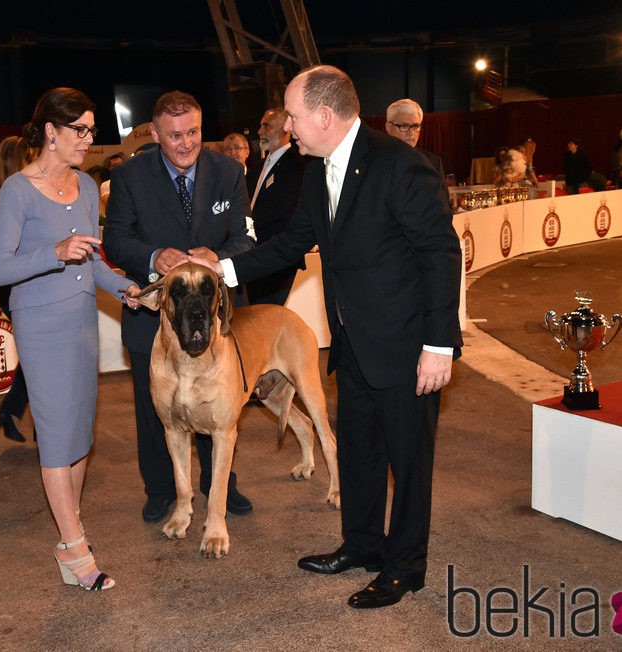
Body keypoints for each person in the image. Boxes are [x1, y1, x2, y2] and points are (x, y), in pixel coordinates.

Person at [189, 65, 462, 610]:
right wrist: (225, 270)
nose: (287, 125)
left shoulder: (401, 166)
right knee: (359, 450)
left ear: (323, 115)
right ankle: (362, 545)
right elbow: (292, 241)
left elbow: (441, 254)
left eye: (292, 115)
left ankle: (405, 568)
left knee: (408, 463)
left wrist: (439, 345)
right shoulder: (315, 170)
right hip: (353, 344)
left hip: (408, 347)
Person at [0, 87, 140, 592]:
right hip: (40, 325)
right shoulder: (17, 190)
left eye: (92, 130)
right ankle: (75, 549)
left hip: (81, 322)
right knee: (55, 437)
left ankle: (68, 538)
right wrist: (54, 251)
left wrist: (127, 289)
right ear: (51, 132)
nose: (88, 140)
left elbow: (92, 260)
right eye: (81, 130)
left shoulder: (89, 186)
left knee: (79, 437)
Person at [102, 90, 256, 524]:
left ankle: (220, 486)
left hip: (214, 312)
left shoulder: (229, 170)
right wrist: (153, 257)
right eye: (174, 135)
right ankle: (160, 489)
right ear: (155, 133)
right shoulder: (129, 176)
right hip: (155, 312)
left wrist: (218, 260)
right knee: (156, 410)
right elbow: (115, 240)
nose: (186, 143)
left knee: (219, 405)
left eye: (193, 132)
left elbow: (246, 236)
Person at [0, 135, 35, 443]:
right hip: (20, 284)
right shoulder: (13, 196)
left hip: (11, 285)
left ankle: (12, 410)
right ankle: (40, 424)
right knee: (39, 358)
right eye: (30, 157)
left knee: (34, 357)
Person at [245, 107, 308, 306]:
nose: (260, 132)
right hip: (253, 255)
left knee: (268, 317)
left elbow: (282, 207)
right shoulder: (258, 167)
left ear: (284, 129)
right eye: (261, 126)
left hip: (276, 256)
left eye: (266, 126)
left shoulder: (297, 164)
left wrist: (246, 226)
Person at [385, 98, 451, 203]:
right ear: (389, 127)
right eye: (404, 126)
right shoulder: (374, 162)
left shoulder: (433, 162)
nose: (411, 133)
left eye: (415, 126)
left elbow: (443, 207)